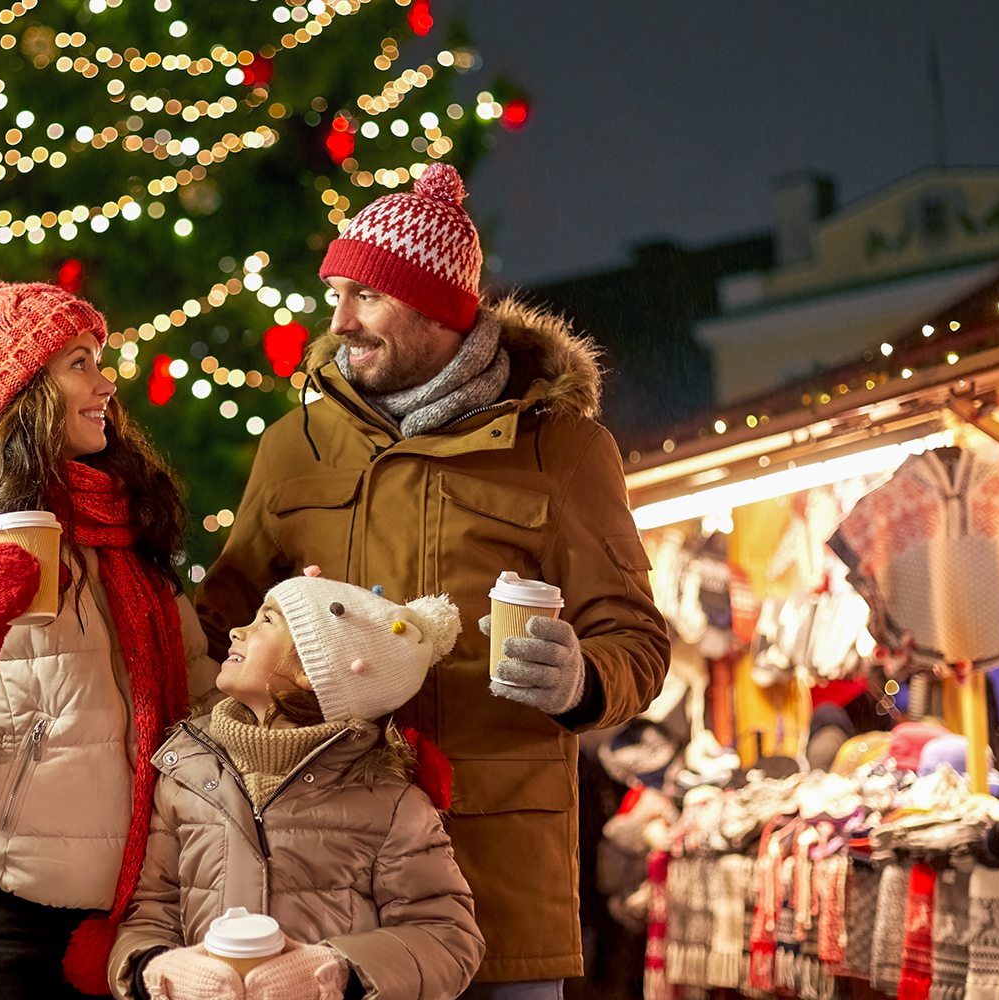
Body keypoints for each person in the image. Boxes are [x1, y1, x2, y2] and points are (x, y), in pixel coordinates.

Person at [195, 163, 670, 997]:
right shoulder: (292, 447)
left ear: (438, 309)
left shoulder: (561, 450)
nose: (338, 321)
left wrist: (581, 680)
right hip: (327, 885)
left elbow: (636, 641)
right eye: (335, 294)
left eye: (364, 297)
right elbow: (217, 631)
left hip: (495, 882)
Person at [0, 282, 218, 1000]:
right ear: (20, 392)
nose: (105, 383)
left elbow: (200, 713)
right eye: (78, 363)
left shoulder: (127, 526)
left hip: (138, 924)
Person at [110, 571, 485, 1000]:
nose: (237, 630)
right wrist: (155, 971)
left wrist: (337, 972)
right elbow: (152, 913)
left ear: (314, 668)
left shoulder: (391, 802)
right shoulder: (185, 775)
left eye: (265, 621)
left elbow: (447, 937)